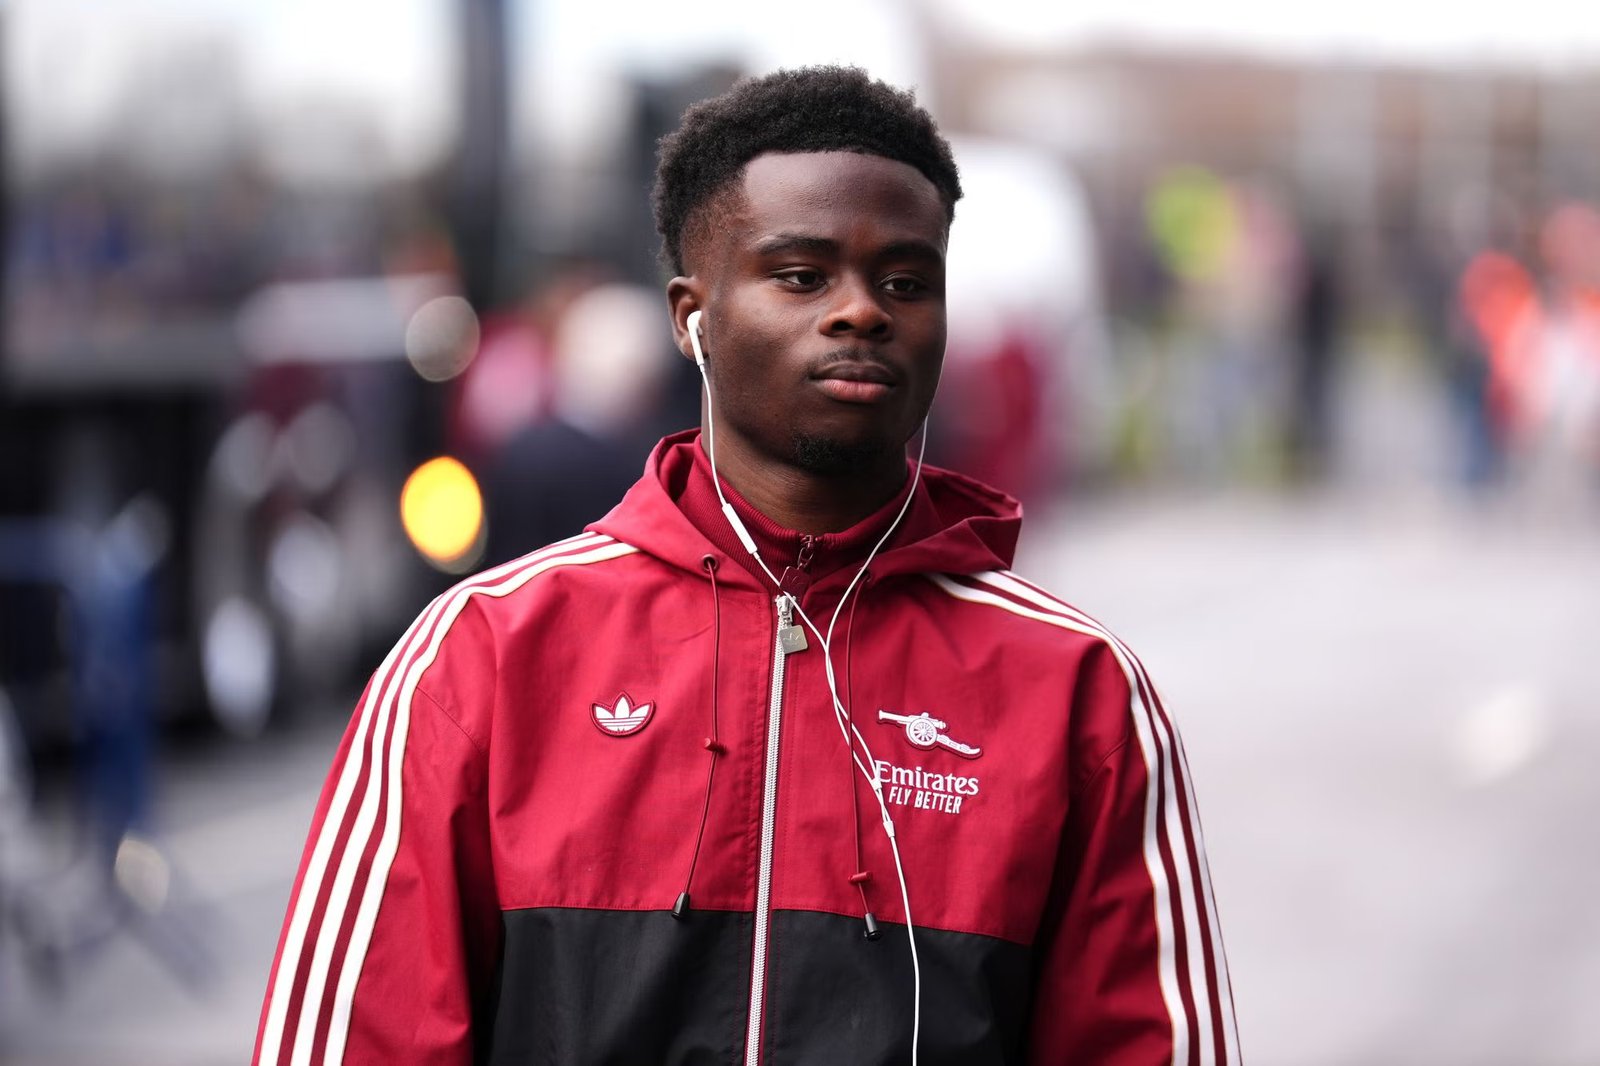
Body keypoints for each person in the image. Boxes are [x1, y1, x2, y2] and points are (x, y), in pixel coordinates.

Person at [254, 66, 1238, 1065]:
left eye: (906, 282)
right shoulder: (477, 660)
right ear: (692, 316)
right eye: (802, 275)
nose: (862, 312)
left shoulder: (1079, 693)